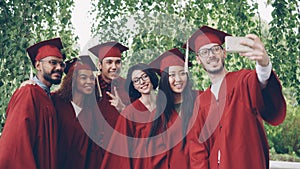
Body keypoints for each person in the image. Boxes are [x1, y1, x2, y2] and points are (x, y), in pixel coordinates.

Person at [186, 25, 286, 169]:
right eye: (204, 52)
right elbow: (197, 149)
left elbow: (261, 81)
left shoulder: (242, 80)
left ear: (224, 53)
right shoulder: (200, 103)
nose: (211, 55)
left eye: (215, 49)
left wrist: (263, 63)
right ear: (198, 59)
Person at [0, 38, 65, 169]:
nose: (59, 68)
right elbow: (16, 144)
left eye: (61, 64)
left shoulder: (48, 97)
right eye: (53, 63)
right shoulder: (28, 92)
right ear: (38, 65)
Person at [146, 48, 200, 169]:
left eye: (182, 73)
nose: (178, 79)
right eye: (172, 75)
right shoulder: (158, 115)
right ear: (165, 79)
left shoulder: (201, 99)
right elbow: (156, 156)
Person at [102, 63, 159, 169]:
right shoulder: (129, 113)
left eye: (144, 76)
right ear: (133, 86)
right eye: (136, 80)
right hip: (141, 165)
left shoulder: (165, 107)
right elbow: (122, 149)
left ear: (151, 76)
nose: (142, 82)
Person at [51, 55, 103, 169]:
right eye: (83, 77)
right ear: (72, 80)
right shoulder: (55, 101)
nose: (89, 81)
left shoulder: (92, 110)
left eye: (91, 78)